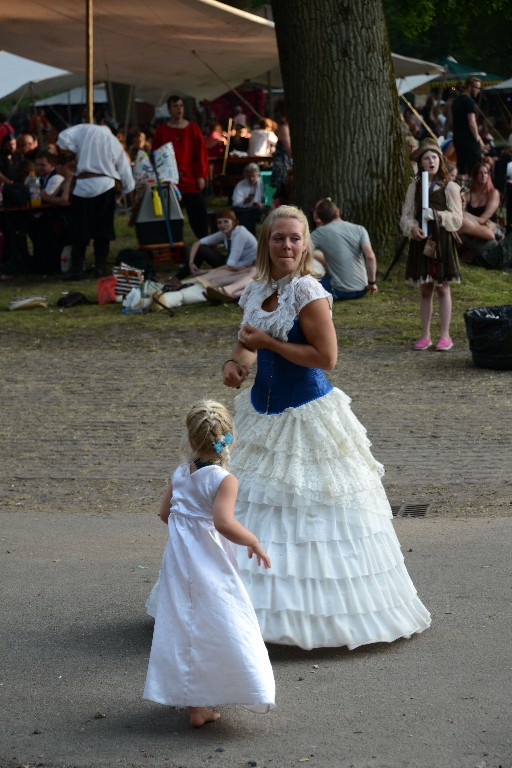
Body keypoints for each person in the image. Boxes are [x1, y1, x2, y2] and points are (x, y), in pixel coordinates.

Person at [221, 205, 431, 650]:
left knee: (309, 511)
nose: (287, 245)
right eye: (279, 238)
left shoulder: (308, 292)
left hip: (306, 411)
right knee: (257, 503)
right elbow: (247, 344)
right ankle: (243, 609)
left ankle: (314, 618)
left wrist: (267, 343)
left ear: (305, 245)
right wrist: (236, 363)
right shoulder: (259, 289)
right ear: (266, 242)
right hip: (260, 412)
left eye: (295, 238)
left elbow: (326, 358)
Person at [143, 400, 275, 728]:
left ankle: (195, 703)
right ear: (229, 438)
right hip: (211, 562)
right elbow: (223, 522)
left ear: (190, 442)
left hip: (180, 562)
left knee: (184, 623)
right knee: (224, 619)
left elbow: (164, 513)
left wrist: (185, 527)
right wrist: (253, 541)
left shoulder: (178, 474)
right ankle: (233, 685)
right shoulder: (223, 480)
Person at [401, 138, 463, 351]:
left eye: (434, 157)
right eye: (426, 158)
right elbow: (405, 216)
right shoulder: (414, 187)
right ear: (421, 162)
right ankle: (425, 334)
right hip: (421, 241)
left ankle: (445, 335)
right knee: (426, 289)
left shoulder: (450, 187)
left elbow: (457, 218)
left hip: (442, 241)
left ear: (440, 160)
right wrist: (412, 228)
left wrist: (437, 216)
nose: (431, 161)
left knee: (443, 288)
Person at [56, 122, 135, 279]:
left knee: (79, 230)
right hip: (104, 186)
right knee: (102, 230)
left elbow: (62, 139)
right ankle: (99, 267)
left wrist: (71, 154)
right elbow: (125, 169)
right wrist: (129, 193)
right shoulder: (114, 142)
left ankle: (77, 268)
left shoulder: (84, 129)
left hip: (83, 186)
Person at [151, 95, 209, 239]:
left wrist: (201, 175)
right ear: (169, 109)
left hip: (190, 179)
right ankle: (176, 244)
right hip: (170, 182)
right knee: (173, 216)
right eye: (175, 106)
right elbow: (155, 155)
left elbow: (201, 153)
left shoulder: (193, 129)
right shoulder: (162, 131)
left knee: (198, 212)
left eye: (181, 106)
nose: (179, 109)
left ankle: (204, 241)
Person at [311, 198, 378, 300]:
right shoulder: (359, 229)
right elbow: (370, 257)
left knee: (308, 281)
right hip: (362, 290)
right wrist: (372, 283)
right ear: (337, 211)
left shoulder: (318, 233)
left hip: (339, 291)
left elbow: (300, 251)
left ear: (319, 217)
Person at [177, 208, 256, 279]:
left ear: (234, 222)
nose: (222, 225)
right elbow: (197, 243)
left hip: (241, 268)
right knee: (201, 249)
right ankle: (180, 277)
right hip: (230, 264)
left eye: (226, 221)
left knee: (204, 263)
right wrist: (191, 263)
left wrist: (205, 271)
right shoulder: (226, 232)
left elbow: (231, 266)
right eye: (219, 223)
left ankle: (181, 278)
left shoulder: (240, 235)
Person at [452, 78, 485, 186]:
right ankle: (476, 193)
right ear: (470, 87)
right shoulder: (469, 101)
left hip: (457, 139)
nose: (478, 90)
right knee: (476, 168)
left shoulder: (456, 101)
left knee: (462, 168)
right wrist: (478, 138)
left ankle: (462, 191)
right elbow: (472, 122)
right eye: (477, 88)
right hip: (469, 140)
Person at [231, 162, 266, 235]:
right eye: (249, 176)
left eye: (253, 176)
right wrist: (245, 202)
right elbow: (235, 203)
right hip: (245, 210)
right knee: (244, 215)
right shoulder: (241, 185)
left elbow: (269, 198)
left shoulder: (263, 183)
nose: (251, 178)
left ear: (258, 174)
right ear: (245, 176)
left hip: (261, 209)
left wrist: (262, 204)